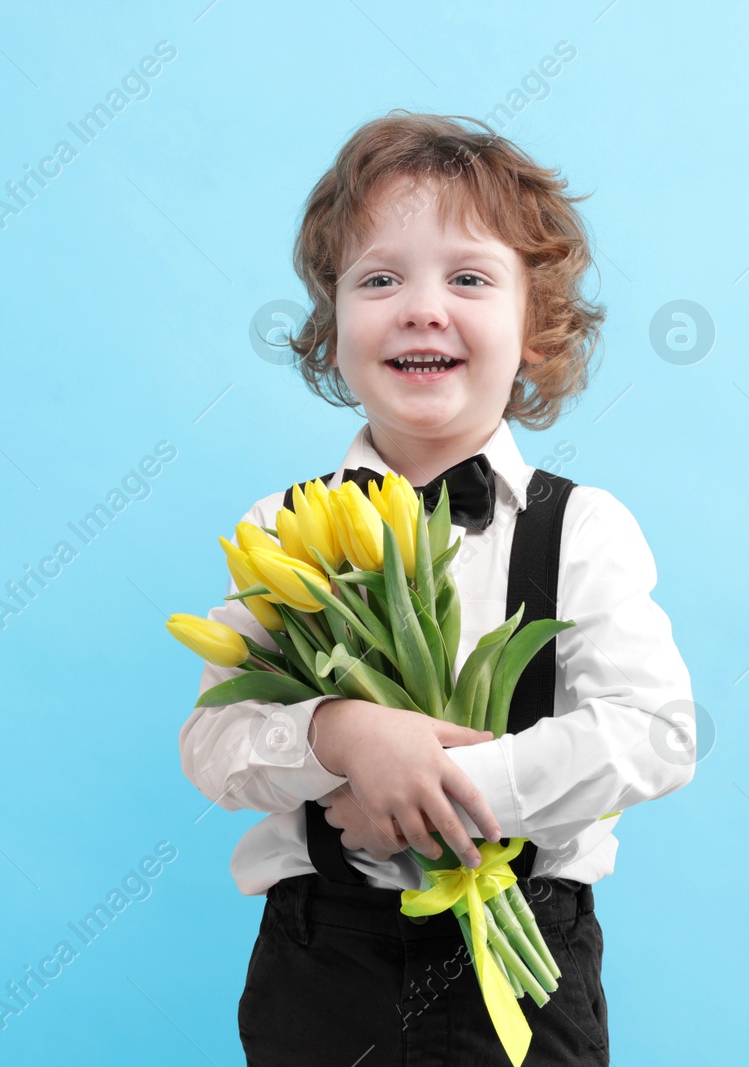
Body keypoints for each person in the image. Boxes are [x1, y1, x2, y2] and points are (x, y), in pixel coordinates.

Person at [177, 111, 696, 1065]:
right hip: (320, 967)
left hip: (526, 968)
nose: (422, 307)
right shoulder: (277, 532)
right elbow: (213, 743)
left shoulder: (581, 528)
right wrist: (338, 734)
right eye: (380, 279)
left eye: (468, 278)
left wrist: (447, 787)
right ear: (332, 329)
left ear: (533, 326)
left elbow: (654, 732)